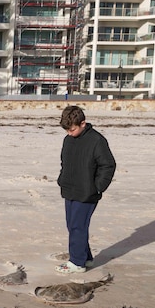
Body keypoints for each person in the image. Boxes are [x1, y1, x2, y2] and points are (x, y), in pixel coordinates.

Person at [56, 105, 116, 274]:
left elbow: (108, 165)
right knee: (73, 225)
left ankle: (77, 263)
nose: (69, 133)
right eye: (67, 130)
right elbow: (64, 162)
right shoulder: (68, 139)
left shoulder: (97, 141)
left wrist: (98, 187)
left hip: (88, 192)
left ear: (83, 123)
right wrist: (62, 179)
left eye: (72, 129)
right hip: (69, 188)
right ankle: (86, 258)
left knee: (77, 226)